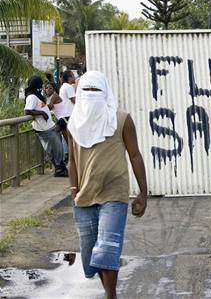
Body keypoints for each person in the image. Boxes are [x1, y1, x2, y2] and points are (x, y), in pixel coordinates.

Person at [68, 71, 147, 299]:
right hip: (84, 195)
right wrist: (74, 191)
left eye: (96, 91)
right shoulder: (74, 123)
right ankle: (108, 291)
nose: (91, 96)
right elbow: (72, 160)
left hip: (114, 193)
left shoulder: (121, 119)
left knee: (107, 249)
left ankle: (110, 295)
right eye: (87, 91)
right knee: (91, 256)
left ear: (105, 93)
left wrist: (143, 192)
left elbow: (134, 155)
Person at [24, 76, 68, 177]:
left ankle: (60, 169)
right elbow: (27, 110)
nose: (42, 87)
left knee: (58, 148)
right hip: (44, 128)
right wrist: (42, 113)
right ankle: (59, 169)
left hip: (49, 126)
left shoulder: (37, 95)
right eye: (40, 85)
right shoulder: (31, 97)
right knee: (54, 149)